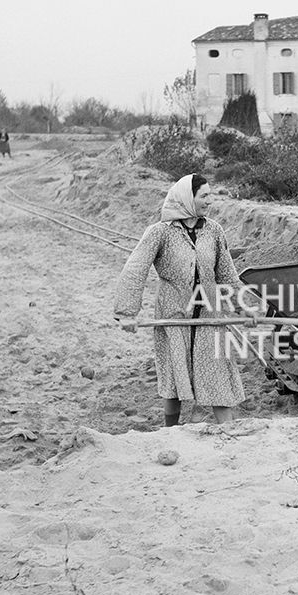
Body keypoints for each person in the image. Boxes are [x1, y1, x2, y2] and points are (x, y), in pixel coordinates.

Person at [114, 173, 246, 426]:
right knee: (175, 377)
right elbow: (136, 268)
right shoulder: (160, 233)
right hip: (174, 312)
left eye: (211, 195)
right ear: (188, 197)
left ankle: (228, 432)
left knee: (216, 371)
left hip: (209, 314)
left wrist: (245, 307)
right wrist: (127, 313)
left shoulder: (214, 230)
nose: (210, 200)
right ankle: (170, 430)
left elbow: (227, 274)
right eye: (204, 195)